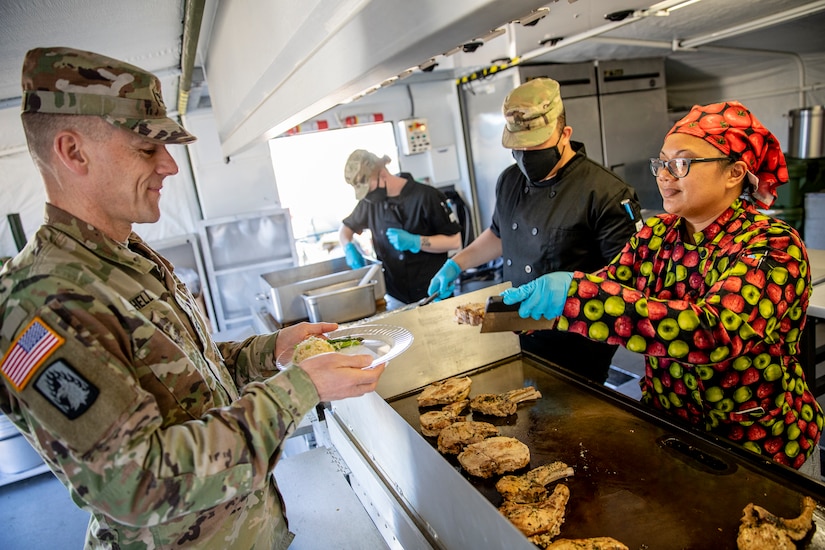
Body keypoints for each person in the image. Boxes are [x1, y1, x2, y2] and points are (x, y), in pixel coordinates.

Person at [0, 46, 385, 549]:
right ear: (74, 153)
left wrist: (271, 352)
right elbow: (137, 482)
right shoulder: (42, 301)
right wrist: (300, 389)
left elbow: (190, 377)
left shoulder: (124, 256)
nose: (169, 166)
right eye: (146, 149)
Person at [501, 100, 824, 475]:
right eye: (661, 162)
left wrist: (574, 296)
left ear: (735, 173)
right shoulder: (657, 235)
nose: (664, 175)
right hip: (670, 433)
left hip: (758, 448)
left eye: (681, 163)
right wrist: (528, 309)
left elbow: (713, 333)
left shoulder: (773, 245)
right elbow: (607, 287)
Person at [428, 78, 642, 384]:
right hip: (515, 332)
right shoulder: (509, 180)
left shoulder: (605, 192)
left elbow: (628, 279)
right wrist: (456, 264)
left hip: (575, 344)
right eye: (519, 147)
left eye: (536, 145)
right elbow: (499, 235)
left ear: (565, 134)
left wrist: (572, 289)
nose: (526, 154)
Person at [339, 149, 462, 304]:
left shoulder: (427, 196)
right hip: (394, 297)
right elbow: (345, 230)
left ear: (382, 173)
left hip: (433, 293)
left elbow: (454, 241)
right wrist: (348, 247)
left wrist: (417, 241)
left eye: (369, 189)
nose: (368, 196)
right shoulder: (369, 203)